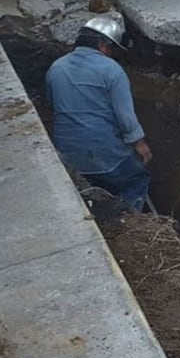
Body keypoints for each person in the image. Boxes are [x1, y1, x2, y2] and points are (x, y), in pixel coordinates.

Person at [46, 15, 152, 211]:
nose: (111, 55)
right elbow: (125, 116)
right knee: (137, 179)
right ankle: (127, 221)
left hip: (67, 153)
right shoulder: (112, 71)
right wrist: (140, 144)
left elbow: (53, 106)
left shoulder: (56, 68)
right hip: (105, 155)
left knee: (91, 183)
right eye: (112, 50)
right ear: (104, 45)